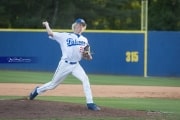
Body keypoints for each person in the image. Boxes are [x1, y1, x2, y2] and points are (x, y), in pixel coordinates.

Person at [29, 18, 100, 111]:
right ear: (75, 25)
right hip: (65, 64)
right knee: (53, 85)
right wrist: (47, 25)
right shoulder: (65, 35)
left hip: (76, 65)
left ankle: (90, 103)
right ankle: (37, 90)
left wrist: (87, 56)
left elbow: (87, 56)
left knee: (85, 79)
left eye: (82, 26)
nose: (80, 27)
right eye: (79, 25)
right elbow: (51, 33)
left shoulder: (84, 40)